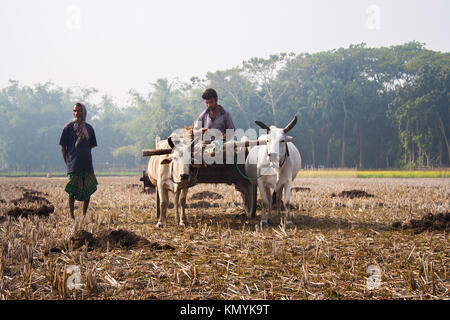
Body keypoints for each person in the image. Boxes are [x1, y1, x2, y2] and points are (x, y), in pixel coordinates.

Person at [59, 102, 98, 219]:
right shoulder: (68, 128)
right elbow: (63, 147)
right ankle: (71, 215)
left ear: (84, 112)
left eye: (79, 111)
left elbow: (90, 146)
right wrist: (68, 162)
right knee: (71, 190)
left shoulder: (89, 129)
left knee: (88, 190)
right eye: (75, 111)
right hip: (73, 164)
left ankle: (84, 215)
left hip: (86, 164)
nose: (77, 113)